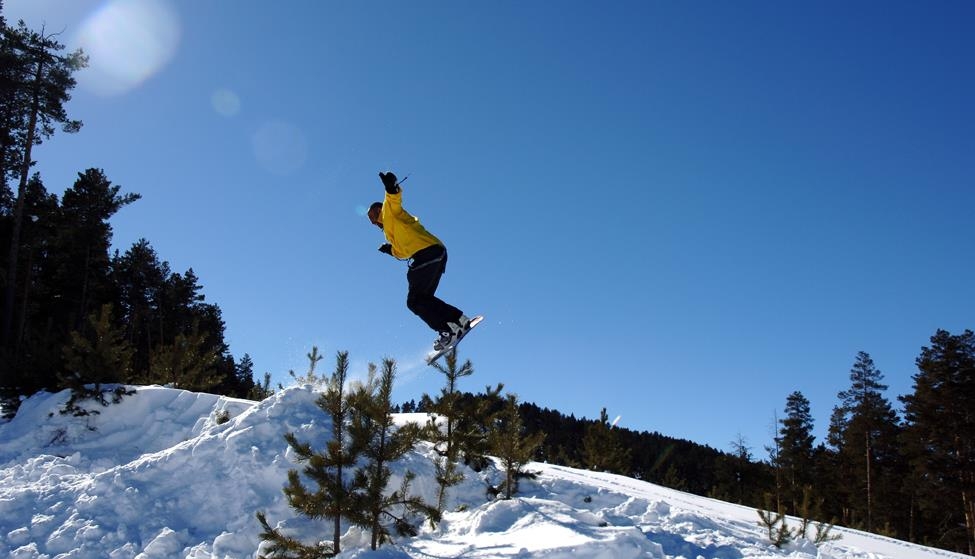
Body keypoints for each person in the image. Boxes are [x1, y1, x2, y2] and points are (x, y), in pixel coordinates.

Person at [367, 171, 472, 351]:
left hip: (428, 253)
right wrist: (389, 250)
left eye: (373, 215)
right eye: (370, 219)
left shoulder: (389, 213)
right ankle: (459, 320)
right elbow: (401, 252)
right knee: (422, 299)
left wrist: (391, 187)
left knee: (414, 301)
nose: (372, 221)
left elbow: (393, 200)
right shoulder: (391, 232)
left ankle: (448, 330)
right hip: (434, 254)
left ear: (379, 210)